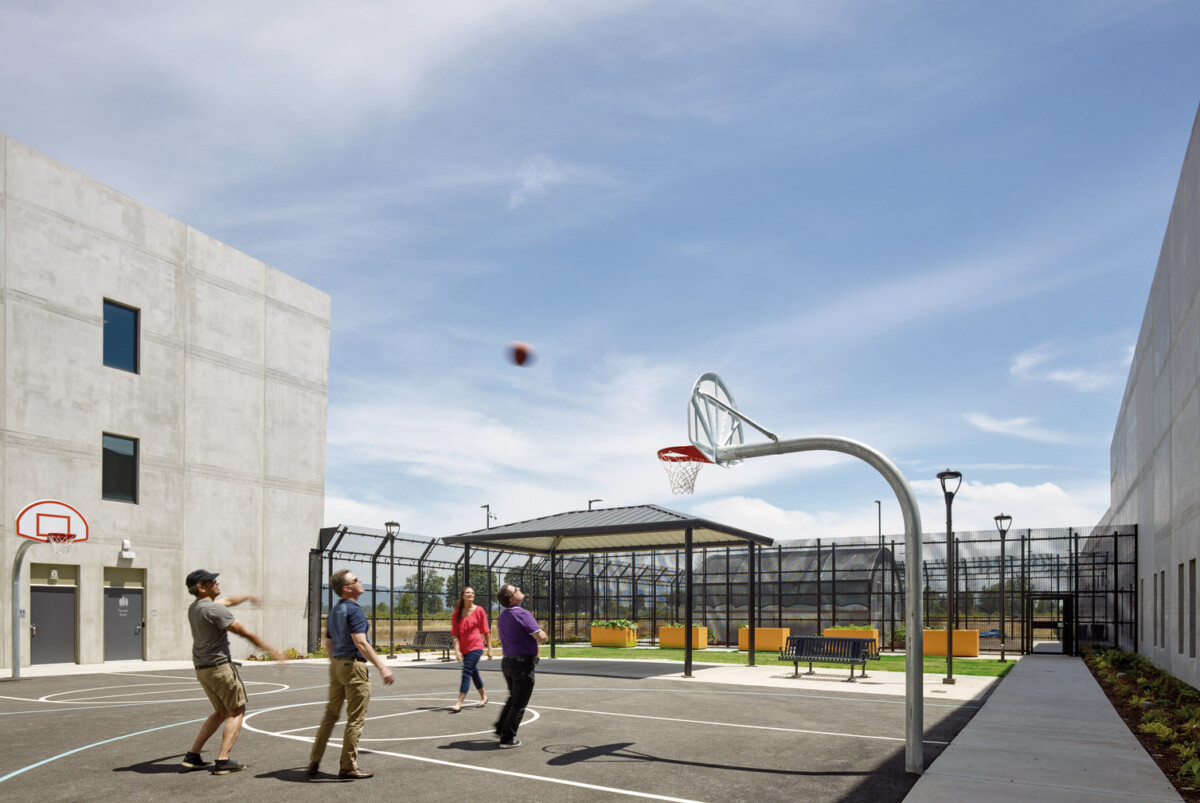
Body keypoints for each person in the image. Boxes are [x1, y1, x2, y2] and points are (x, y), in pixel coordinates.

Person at [182, 569, 284, 775]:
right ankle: (223, 760)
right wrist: (273, 651)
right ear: (202, 587)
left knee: (221, 711)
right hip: (220, 668)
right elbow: (244, 632)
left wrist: (246, 597)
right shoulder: (215, 611)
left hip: (203, 669)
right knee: (236, 710)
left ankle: (193, 756)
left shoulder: (195, 608)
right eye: (211, 580)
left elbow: (228, 600)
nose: (216, 581)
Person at [307, 569, 395, 780]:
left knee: (330, 715)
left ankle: (314, 759)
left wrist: (336, 663)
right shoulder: (354, 610)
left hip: (337, 665)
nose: (360, 580)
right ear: (347, 588)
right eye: (356, 580)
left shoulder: (336, 611)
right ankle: (347, 765)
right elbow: (361, 642)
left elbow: (328, 644)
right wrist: (382, 667)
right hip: (353, 666)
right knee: (355, 719)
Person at [494, 583, 547, 749]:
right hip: (522, 664)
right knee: (519, 703)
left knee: (513, 697)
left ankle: (501, 727)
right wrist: (543, 633)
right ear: (512, 599)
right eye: (515, 589)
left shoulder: (502, 616)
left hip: (508, 662)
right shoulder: (523, 614)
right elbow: (541, 637)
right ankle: (507, 738)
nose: (519, 589)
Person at [449, 586, 493, 713]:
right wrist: (457, 651)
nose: (470, 594)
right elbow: (455, 634)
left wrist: (490, 649)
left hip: (476, 647)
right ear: (463, 595)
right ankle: (484, 696)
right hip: (464, 648)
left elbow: (486, 631)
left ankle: (459, 702)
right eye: (467, 593)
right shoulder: (456, 613)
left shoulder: (479, 610)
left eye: (472, 593)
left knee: (466, 672)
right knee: (473, 672)